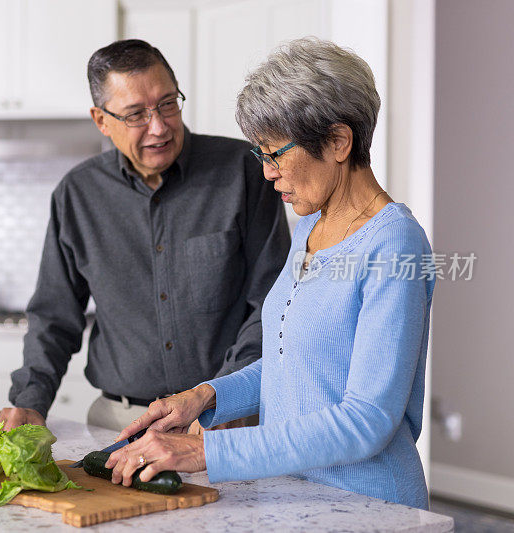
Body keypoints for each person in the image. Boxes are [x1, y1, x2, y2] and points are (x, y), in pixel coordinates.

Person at [106, 37, 436, 510]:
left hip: (370, 507)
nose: (267, 173)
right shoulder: (309, 227)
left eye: (275, 153)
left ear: (339, 141)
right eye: (260, 155)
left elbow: (367, 419)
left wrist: (207, 451)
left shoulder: (395, 243)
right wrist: (203, 397)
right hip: (296, 498)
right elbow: (292, 364)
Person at [0, 39, 290, 432]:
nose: (159, 126)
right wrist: (30, 402)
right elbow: (54, 317)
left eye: (168, 103)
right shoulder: (77, 195)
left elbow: (273, 300)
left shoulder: (245, 172)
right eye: (136, 114)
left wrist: (222, 395)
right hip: (119, 422)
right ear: (101, 120)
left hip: (225, 417)